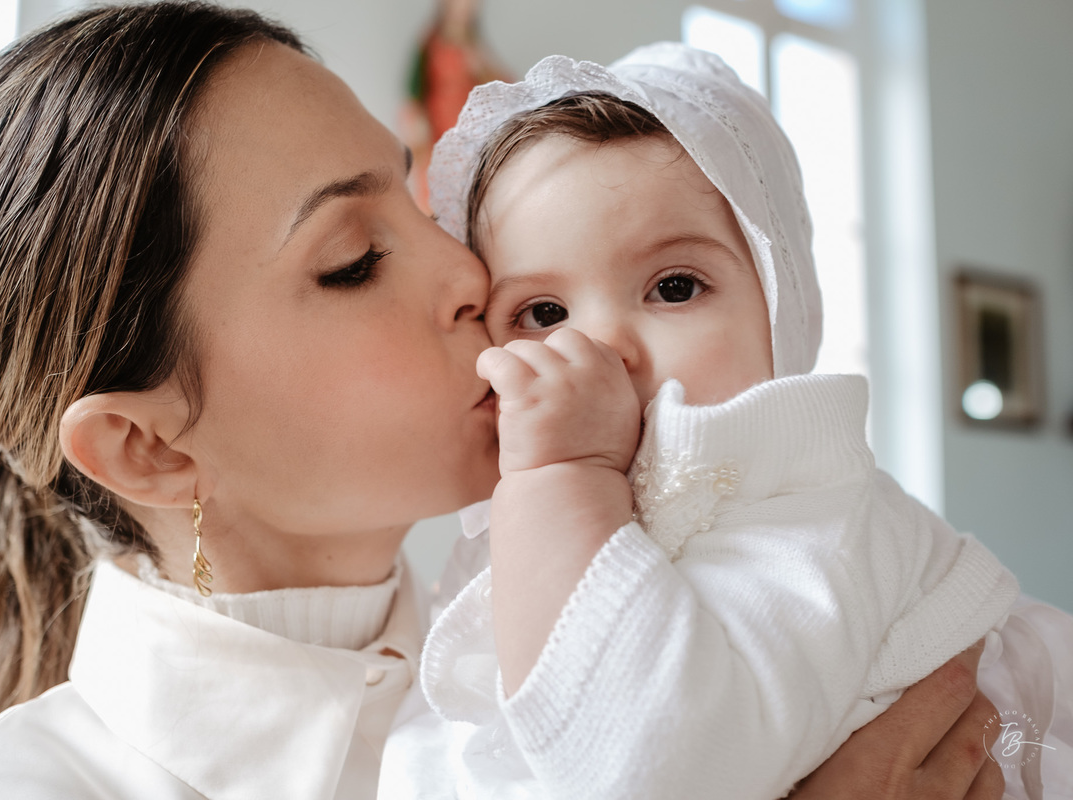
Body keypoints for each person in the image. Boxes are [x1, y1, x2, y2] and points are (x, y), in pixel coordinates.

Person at [0, 4, 1008, 798]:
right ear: (143, 444)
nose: (473, 277)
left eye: (421, 205)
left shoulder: (689, 605)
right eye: (354, 260)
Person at [385, 43, 1073, 799]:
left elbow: (650, 765)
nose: (602, 346)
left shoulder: (814, 523)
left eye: (674, 286)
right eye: (542, 313)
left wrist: (564, 477)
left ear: (782, 314)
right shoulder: (497, 541)